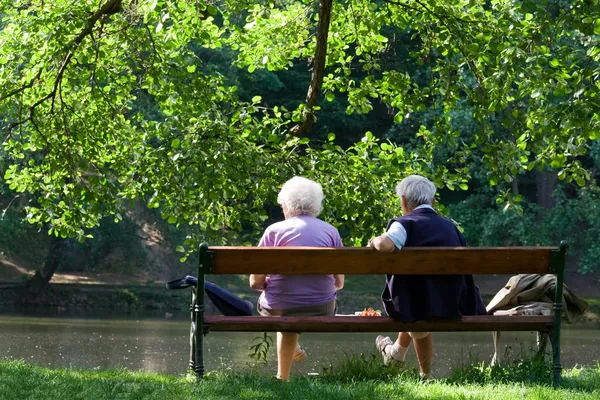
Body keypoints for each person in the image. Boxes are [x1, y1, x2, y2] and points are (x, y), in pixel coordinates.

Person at [367, 175, 486, 378]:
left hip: (414, 305)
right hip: (452, 302)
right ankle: (401, 357)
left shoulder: (404, 224)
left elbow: (386, 245)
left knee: (414, 298)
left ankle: (416, 369)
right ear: (433, 202)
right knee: (420, 292)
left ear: (404, 201)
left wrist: (374, 240)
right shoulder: (451, 227)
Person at [249, 176, 344, 381]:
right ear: (315, 205)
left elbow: (255, 282)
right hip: (322, 306)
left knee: (284, 306)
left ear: (287, 205)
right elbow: (339, 282)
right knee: (291, 305)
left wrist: (267, 285)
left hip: (278, 306)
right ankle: (287, 363)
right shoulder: (331, 232)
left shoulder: (273, 231)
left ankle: (282, 376)